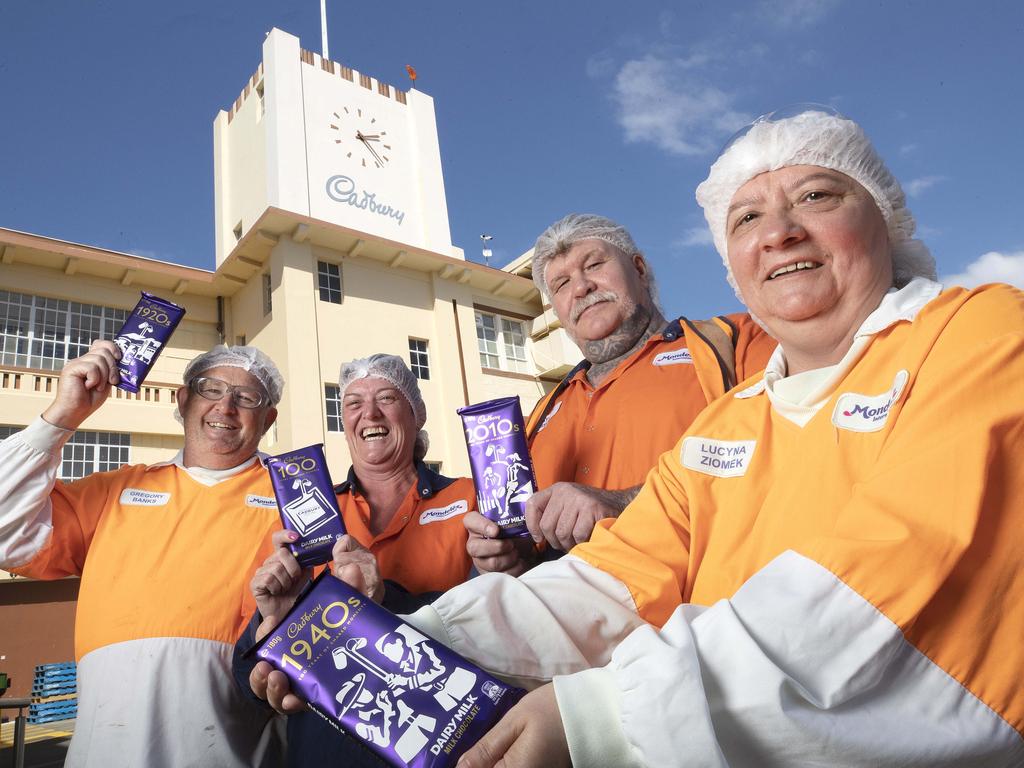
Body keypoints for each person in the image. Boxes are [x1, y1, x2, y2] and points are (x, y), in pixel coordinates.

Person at [256, 107, 1024, 765]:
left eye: (817, 195)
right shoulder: (725, 419)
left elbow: (890, 591)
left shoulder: (979, 334)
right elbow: (610, 579)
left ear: (882, 216)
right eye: (747, 217)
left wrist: (601, 716)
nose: (780, 232)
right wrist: (383, 645)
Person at [0, 343, 286, 767]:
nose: (225, 407)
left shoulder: (296, 502)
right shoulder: (112, 492)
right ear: (184, 400)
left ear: (268, 419)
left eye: (247, 398)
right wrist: (62, 417)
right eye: (211, 389)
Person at [464, 214, 776, 575]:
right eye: (561, 284)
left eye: (594, 264)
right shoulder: (538, 416)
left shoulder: (734, 342)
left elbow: (790, 454)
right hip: (563, 617)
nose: (581, 288)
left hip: (703, 607)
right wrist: (509, 556)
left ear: (639, 269)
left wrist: (625, 502)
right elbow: (525, 551)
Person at [236, 353, 477, 766]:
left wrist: (381, 604)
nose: (369, 412)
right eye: (352, 403)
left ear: (416, 413)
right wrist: (273, 623)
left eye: (386, 397)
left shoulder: (469, 499)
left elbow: (499, 630)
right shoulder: (301, 519)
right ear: (344, 421)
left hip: (448, 748)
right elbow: (247, 680)